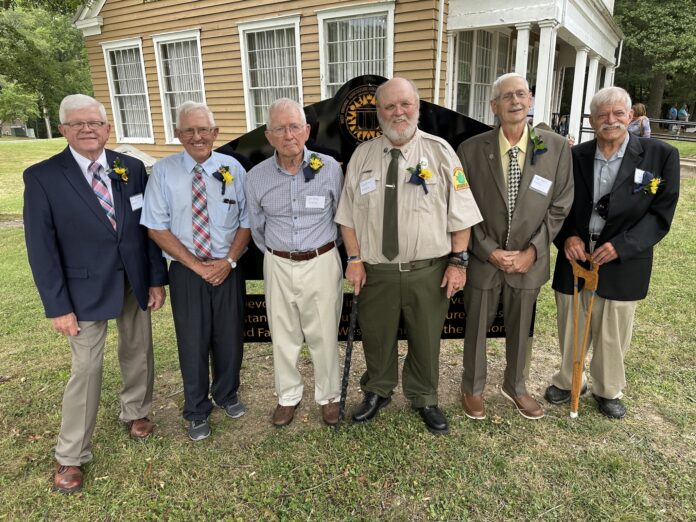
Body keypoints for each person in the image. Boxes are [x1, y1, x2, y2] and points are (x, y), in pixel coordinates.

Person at [23, 94, 168, 493]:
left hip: (133, 280)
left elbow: (148, 228)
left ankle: (136, 412)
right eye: (78, 123)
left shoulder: (131, 168)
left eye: (95, 122)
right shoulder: (43, 177)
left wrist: (156, 279)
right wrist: (58, 306)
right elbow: (41, 249)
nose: (88, 129)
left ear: (107, 128)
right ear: (63, 129)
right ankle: (71, 454)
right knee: (86, 369)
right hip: (81, 289)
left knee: (138, 350)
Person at [335, 77, 483, 435]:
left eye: (405, 104)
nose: (398, 112)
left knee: (427, 337)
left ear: (417, 108)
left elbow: (462, 213)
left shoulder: (440, 152)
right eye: (389, 106)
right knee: (376, 336)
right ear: (378, 112)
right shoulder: (362, 156)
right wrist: (354, 259)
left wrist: (458, 262)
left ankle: (424, 396)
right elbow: (347, 216)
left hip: (427, 271)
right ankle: (377, 390)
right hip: (377, 271)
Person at [545, 86, 680, 418]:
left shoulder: (660, 156)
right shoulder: (573, 156)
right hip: (576, 257)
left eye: (618, 113)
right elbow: (555, 203)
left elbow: (660, 215)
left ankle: (607, 389)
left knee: (613, 329)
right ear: (591, 120)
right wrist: (567, 236)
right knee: (572, 323)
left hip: (624, 260)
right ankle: (570, 380)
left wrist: (622, 246)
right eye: (602, 115)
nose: (611, 120)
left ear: (630, 116)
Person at [456, 73, 574, 421]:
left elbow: (561, 204)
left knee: (521, 329)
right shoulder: (470, 150)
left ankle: (516, 386)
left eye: (521, 94)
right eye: (507, 96)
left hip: (529, 260)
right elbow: (461, 205)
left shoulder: (555, 148)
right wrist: (488, 249)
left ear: (530, 100)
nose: (515, 101)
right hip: (484, 258)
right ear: (494, 106)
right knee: (476, 327)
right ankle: (472, 387)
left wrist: (532, 251)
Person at [141, 101, 250, 441]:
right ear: (178, 134)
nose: (197, 136)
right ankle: (196, 409)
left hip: (227, 268)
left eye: (203, 129)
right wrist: (196, 266)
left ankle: (227, 394)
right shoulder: (163, 171)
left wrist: (228, 261)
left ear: (215, 133)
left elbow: (247, 220)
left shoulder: (233, 168)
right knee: (192, 341)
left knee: (230, 337)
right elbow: (155, 226)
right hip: (187, 271)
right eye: (189, 130)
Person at [244, 98, 343, 428]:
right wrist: (280, 254)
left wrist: (322, 252)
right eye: (280, 129)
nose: (288, 135)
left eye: (294, 127)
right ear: (268, 136)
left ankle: (329, 396)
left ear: (307, 131)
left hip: (322, 261)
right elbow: (257, 227)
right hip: (278, 263)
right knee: (283, 335)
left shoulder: (329, 168)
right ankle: (287, 396)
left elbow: (342, 217)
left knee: (324, 333)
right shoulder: (256, 177)